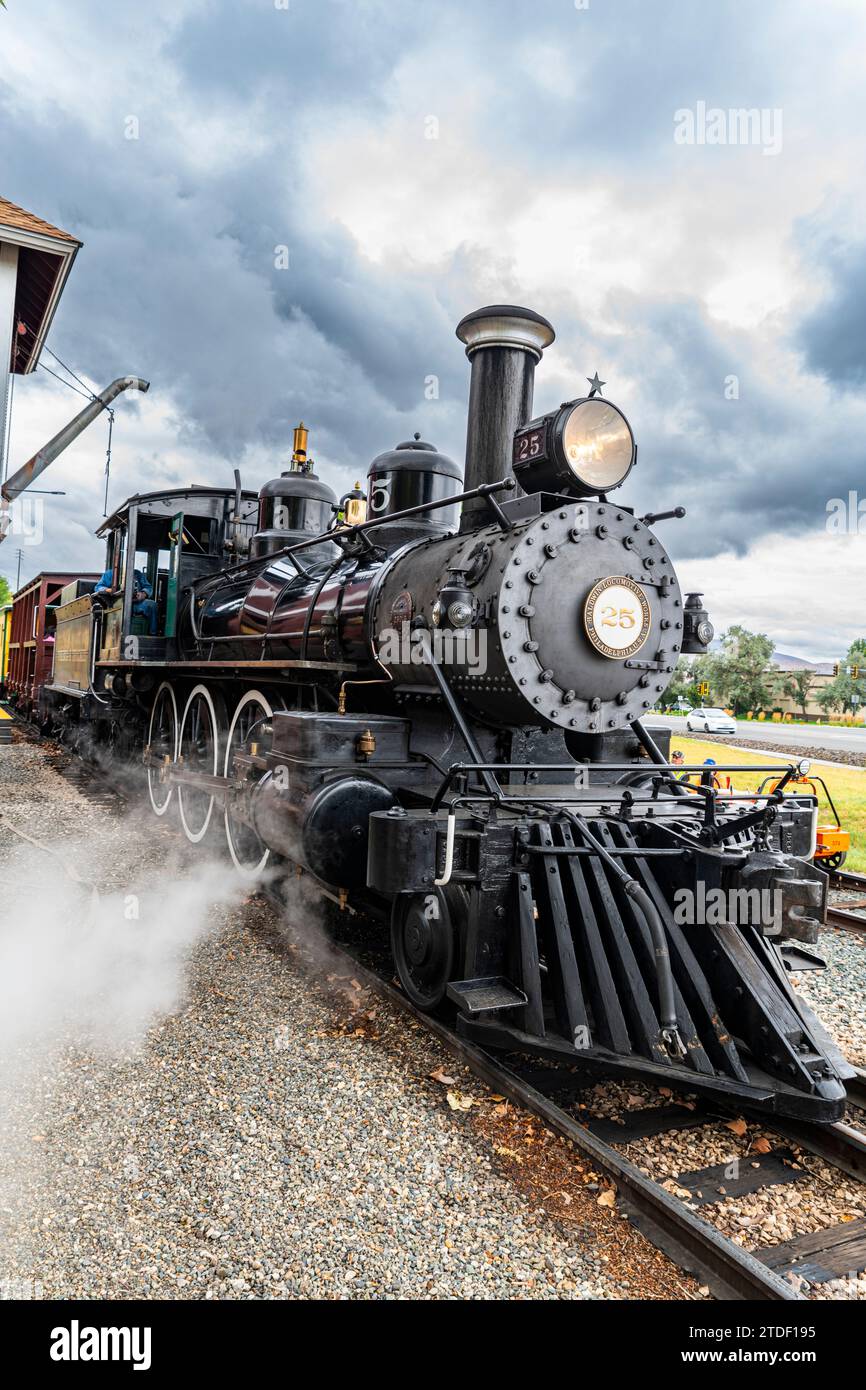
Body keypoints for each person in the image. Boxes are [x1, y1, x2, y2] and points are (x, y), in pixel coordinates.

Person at [95, 566, 158, 636]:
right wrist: (109, 590)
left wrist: (143, 593)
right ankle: (119, 635)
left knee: (152, 605)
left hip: (135, 604)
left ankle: (153, 634)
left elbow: (148, 587)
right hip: (117, 603)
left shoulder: (137, 573)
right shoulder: (109, 573)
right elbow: (98, 587)